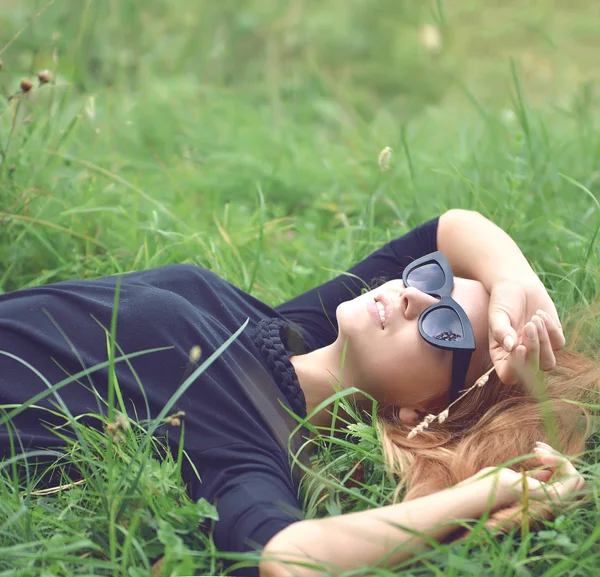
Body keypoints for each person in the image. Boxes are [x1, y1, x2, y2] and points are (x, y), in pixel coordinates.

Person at [0, 209, 596, 577]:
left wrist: (482, 492)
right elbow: (453, 225)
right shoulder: (283, 329)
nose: (416, 298)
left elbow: (289, 557)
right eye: (431, 278)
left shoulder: (247, 429)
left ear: (421, 413)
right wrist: (515, 284)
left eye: (445, 329)